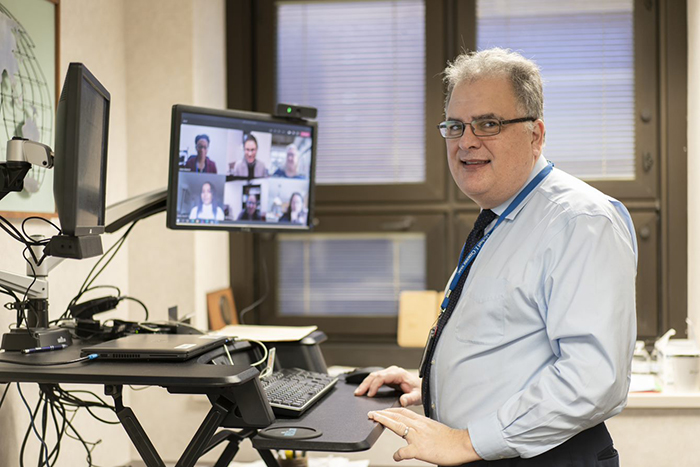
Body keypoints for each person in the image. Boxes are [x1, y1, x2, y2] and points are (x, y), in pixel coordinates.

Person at [354, 48, 637, 466]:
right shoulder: (502, 217)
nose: (467, 141)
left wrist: (466, 442)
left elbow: (593, 380)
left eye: (489, 124)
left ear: (535, 134)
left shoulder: (579, 220)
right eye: (456, 126)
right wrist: (432, 386)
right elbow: (510, 343)